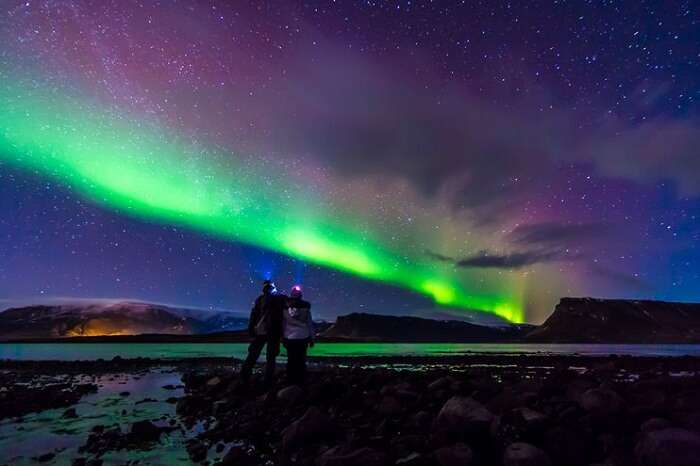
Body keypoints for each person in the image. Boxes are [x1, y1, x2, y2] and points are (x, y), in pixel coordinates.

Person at [239, 280, 287, 386]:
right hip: (274, 331)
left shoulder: (260, 299)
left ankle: (244, 376)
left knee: (253, 354)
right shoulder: (280, 298)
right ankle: (268, 380)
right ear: (273, 287)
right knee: (271, 357)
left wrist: (251, 329)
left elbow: (254, 315)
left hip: (260, 331)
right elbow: (285, 314)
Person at [282, 285, 314, 385]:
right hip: (303, 337)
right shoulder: (306, 308)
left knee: (291, 359)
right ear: (300, 296)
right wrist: (312, 338)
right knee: (301, 359)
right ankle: (301, 381)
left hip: (289, 337)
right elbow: (309, 323)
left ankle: (290, 380)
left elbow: (283, 323)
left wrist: (282, 337)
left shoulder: (285, 308)